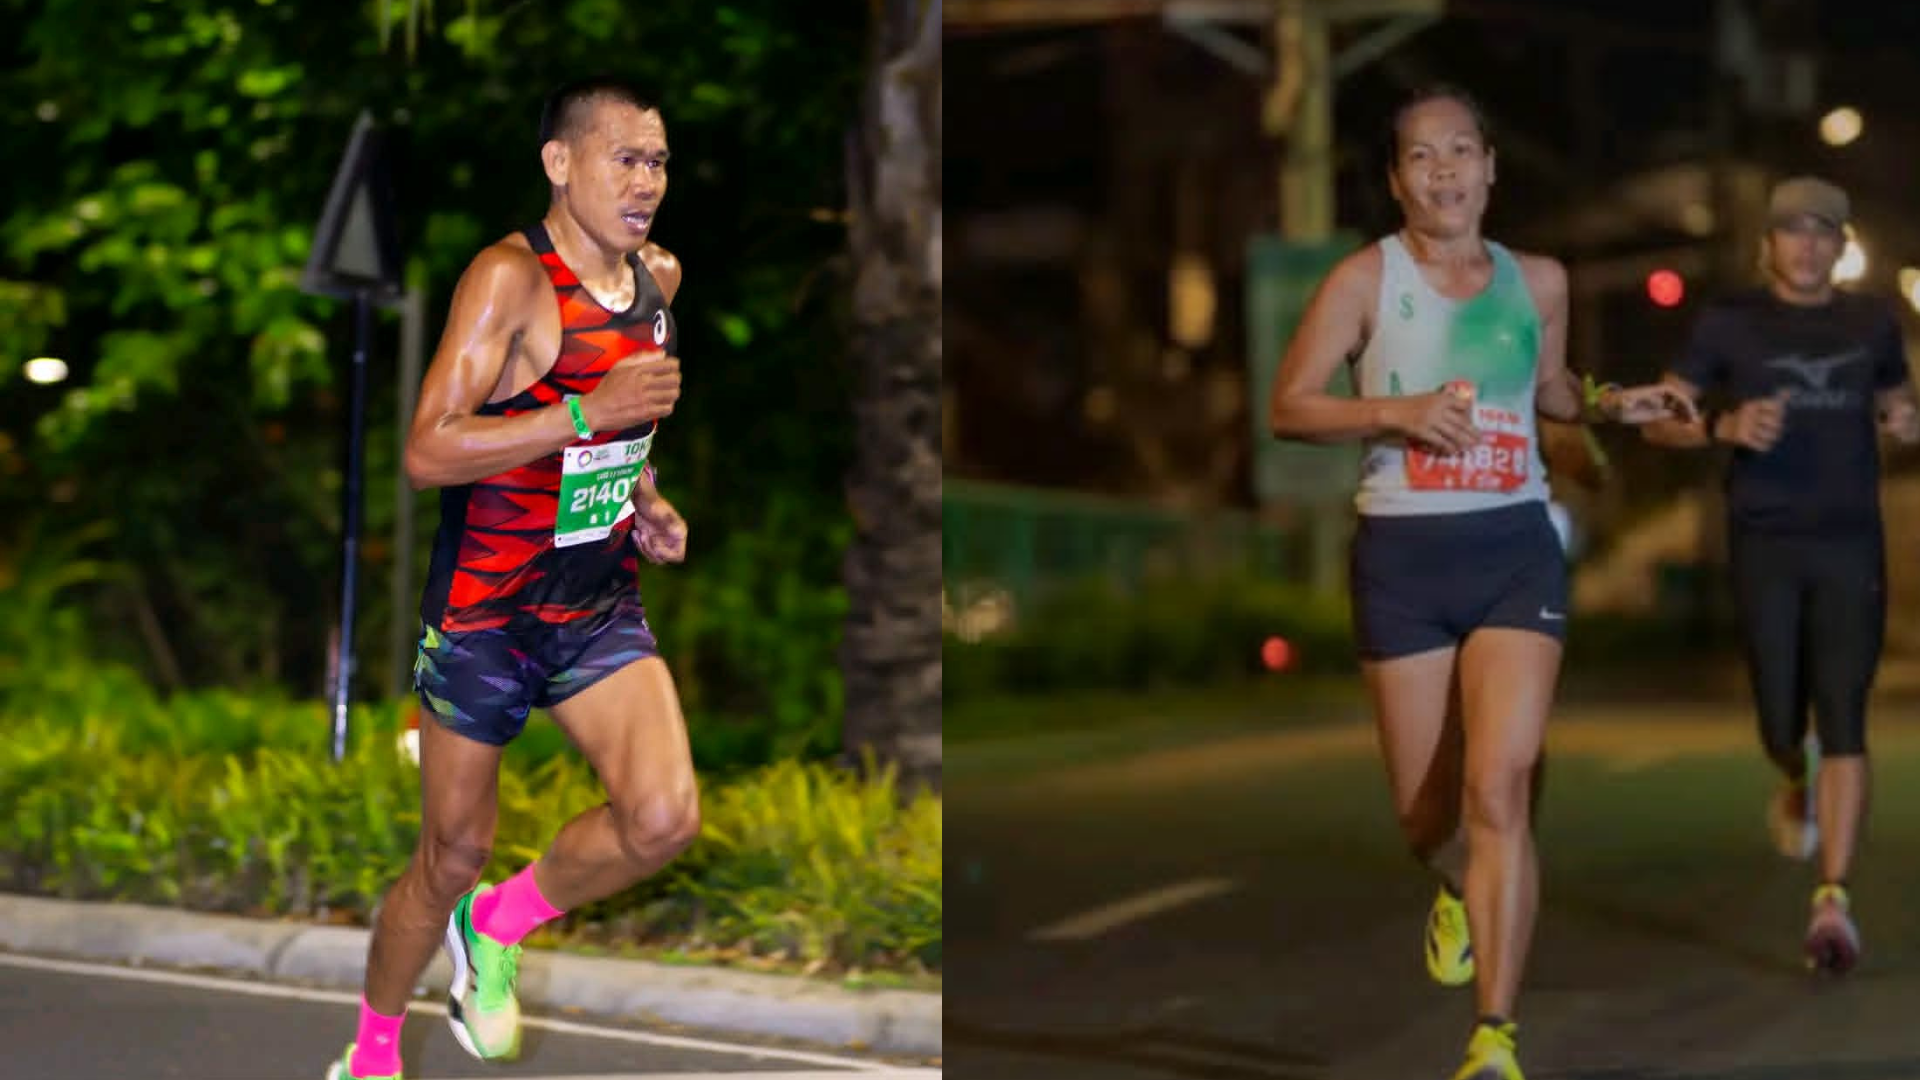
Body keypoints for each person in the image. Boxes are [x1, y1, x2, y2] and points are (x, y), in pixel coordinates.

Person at [1267, 84, 1693, 1080]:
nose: (1445, 170)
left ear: (1492, 167)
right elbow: (1291, 405)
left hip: (1512, 545)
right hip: (1404, 560)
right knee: (1429, 818)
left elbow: (1546, 389)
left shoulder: (1537, 279)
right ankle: (1452, 886)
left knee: (1499, 787)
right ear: (1395, 179)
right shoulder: (1363, 282)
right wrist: (1397, 412)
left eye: (1462, 150)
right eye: (1422, 156)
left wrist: (1612, 401)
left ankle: (1494, 1035)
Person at [325, 76, 696, 1080]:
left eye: (658, 160)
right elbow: (429, 450)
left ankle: (501, 927)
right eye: (626, 157)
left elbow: (620, 434)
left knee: (662, 819)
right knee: (448, 856)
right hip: (486, 616)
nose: (647, 180)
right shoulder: (508, 280)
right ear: (560, 162)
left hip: (594, 605)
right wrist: (585, 410)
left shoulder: (658, 278)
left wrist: (645, 500)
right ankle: (371, 1049)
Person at [1641, 175, 1918, 976]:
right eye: (1791, 230)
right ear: (1768, 244)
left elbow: (1902, 402)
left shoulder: (1870, 323)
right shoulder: (1731, 324)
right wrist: (1723, 424)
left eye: (1822, 231)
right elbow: (1663, 418)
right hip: (1763, 540)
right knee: (1775, 716)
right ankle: (1790, 774)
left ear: (1840, 246)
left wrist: (1904, 417)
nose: (1806, 244)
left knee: (1844, 716)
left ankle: (1833, 899)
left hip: (1850, 545)